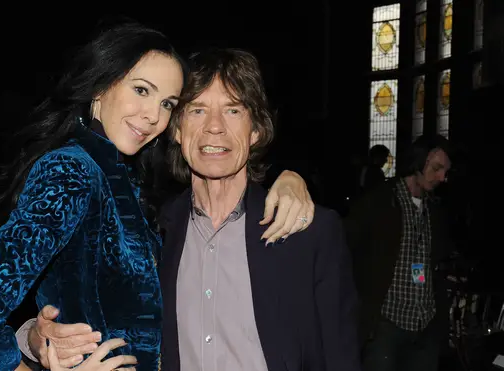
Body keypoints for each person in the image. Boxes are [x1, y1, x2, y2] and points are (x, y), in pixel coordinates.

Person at [0, 22, 313, 371]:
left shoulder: (124, 182)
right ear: (99, 86)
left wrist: (288, 177)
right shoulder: (71, 171)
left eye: (167, 105)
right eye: (141, 90)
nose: (153, 116)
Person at [26, 48, 357, 371]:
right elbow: (81, 304)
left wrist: (292, 174)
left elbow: (340, 355)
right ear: (177, 130)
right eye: (197, 110)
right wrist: (36, 337)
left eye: (233, 110)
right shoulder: (147, 229)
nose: (214, 126)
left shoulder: (309, 231)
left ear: (255, 130)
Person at [345, 134, 456, 371]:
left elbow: (436, 264)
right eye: (437, 168)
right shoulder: (379, 202)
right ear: (418, 161)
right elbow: (346, 250)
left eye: (445, 171)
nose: (442, 177)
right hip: (386, 326)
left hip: (425, 327)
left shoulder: (435, 210)